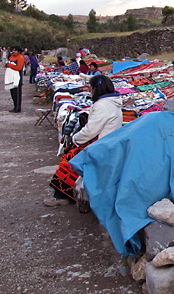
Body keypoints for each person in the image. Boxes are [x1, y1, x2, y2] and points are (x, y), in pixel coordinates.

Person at [46, 75, 123, 208]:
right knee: (72, 156)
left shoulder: (102, 105)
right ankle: (65, 193)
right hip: (107, 142)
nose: (90, 91)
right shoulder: (113, 103)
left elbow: (90, 130)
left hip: (101, 144)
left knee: (69, 160)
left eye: (91, 88)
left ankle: (62, 195)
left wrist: (75, 139)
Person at [5, 46, 25, 113]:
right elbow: (7, 65)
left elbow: (19, 67)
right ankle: (15, 106)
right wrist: (7, 65)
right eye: (13, 50)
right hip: (11, 78)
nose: (13, 51)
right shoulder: (11, 57)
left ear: (18, 52)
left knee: (17, 93)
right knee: (12, 93)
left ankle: (18, 108)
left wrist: (10, 65)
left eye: (15, 50)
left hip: (17, 78)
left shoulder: (20, 58)